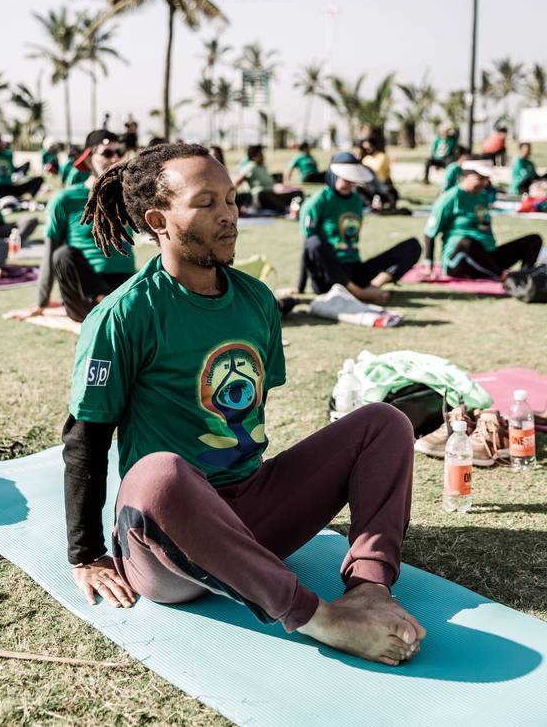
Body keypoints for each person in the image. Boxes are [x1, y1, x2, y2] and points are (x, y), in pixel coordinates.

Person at [63, 142, 425, 667]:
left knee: (382, 422)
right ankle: (319, 618)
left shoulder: (256, 300)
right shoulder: (124, 315)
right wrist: (86, 554)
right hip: (169, 547)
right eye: (207, 202)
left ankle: (369, 589)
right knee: (160, 473)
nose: (229, 215)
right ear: (158, 219)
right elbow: (85, 440)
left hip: (253, 519)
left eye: (231, 200)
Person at [26, 130, 136, 323]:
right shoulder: (65, 200)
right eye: (107, 154)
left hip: (123, 283)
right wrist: (41, 303)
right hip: (83, 294)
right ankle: (107, 305)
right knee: (62, 254)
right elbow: (50, 254)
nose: (115, 159)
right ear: (87, 160)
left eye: (118, 153)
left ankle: (116, 307)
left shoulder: (129, 197)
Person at [298, 152, 421, 303]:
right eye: (346, 178)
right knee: (314, 242)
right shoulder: (317, 202)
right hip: (328, 277)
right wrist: (300, 287)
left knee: (413, 246)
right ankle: (359, 293)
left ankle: (373, 286)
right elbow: (309, 249)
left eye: (353, 179)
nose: (350, 183)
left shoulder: (356, 200)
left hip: (353, 268)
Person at [423, 160, 541, 279]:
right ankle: (501, 275)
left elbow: (483, 225)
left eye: (486, 179)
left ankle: (525, 276)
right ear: (465, 176)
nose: (484, 183)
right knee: (467, 242)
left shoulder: (483, 196)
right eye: (480, 178)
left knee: (534, 239)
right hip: (460, 260)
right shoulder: (450, 198)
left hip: (487, 257)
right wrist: (429, 266)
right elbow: (429, 233)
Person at [234, 145, 303, 214]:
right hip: (260, 197)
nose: (263, 156)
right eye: (260, 154)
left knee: (298, 193)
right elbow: (237, 182)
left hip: (272, 194)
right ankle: (286, 209)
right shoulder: (250, 167)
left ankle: (295, 207)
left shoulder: (263, 167)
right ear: (254, 156)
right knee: (266, 195)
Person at [0, 133, 43, 199]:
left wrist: (25, 166)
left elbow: (12, 170)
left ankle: (28, 197)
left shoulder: (8, 154)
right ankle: (8, 197)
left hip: (11, 185)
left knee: (38, 179)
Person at [358, 138, 399, 209]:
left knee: (391, 193)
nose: (368, 149)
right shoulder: (365, 159)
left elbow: (386, 173)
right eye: (365, 148)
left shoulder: (382, 157)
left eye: (369, 147)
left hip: (381, 185)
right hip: (369, 187)